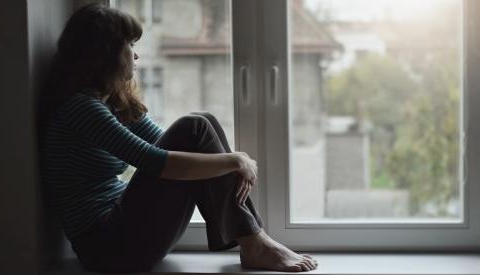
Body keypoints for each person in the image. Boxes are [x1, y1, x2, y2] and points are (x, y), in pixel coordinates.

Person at [38, 3, 317, 273]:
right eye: (130, 45)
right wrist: (235, 160)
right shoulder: (81, 108)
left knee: (203, 123)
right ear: (106, 53)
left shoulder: (110, 103)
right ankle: (254, 242)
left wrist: (229, 162)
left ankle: (254, 240)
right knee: (194, 126)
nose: (136, 56)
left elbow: (167, 143)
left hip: (124, 235)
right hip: (108, 248)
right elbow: (156, 161)